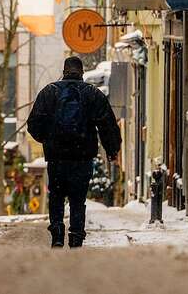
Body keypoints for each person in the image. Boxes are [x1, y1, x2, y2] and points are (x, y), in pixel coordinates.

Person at [27, 56, 121, 248]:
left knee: (56, 196)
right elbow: (107, 125)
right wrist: (112, 150)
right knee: (78, 198)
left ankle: (57, 233)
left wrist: (47, 139)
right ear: (82, 72)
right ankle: (76, 236)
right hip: (82, 157)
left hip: (57, 157)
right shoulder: (93, 94)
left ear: (64, 72)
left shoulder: (49, 92)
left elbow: (33, 124)